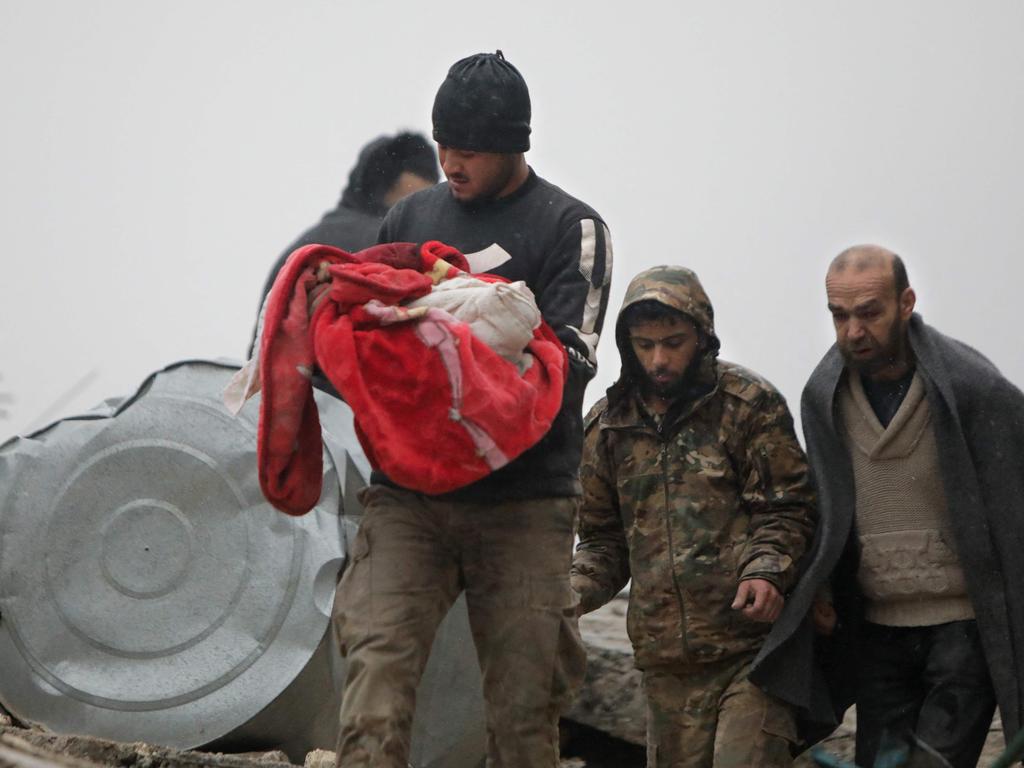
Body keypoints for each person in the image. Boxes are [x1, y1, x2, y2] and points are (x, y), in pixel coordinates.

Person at [332, 51, 613, 767]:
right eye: (444, 144)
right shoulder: (410, 215)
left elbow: (570, 362)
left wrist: (465, 339)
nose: (452, 162)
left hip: (522, 503)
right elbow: (371, 327)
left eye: (471, 150)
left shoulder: (569, 227)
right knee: (375, 680)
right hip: (409, 496)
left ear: (514, 145)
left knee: (524, 716)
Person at [571, 265, 816, 767]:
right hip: (666, 671)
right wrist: (568, 593)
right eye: (644, 345)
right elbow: (602, 543)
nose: (659, 359)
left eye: (673, 342)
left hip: (752, 655)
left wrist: (766, 570)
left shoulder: (748, 406)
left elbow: (788, 509)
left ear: (702, 337)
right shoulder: (606, 427)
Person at [800, 245, 1024, 767]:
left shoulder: (972, 388)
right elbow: (823, 502)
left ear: (906, 303)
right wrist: (822, 585)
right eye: (840, 314)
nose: (854, 330)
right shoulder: (824, 396)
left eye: (869, 312)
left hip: (963, 627)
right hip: (876, 628)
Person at [247, 131, 438, 355]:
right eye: (414, 202)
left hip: (273, 383)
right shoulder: (391, 249)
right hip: (338, 383)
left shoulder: (303, 246)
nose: (423, 214)